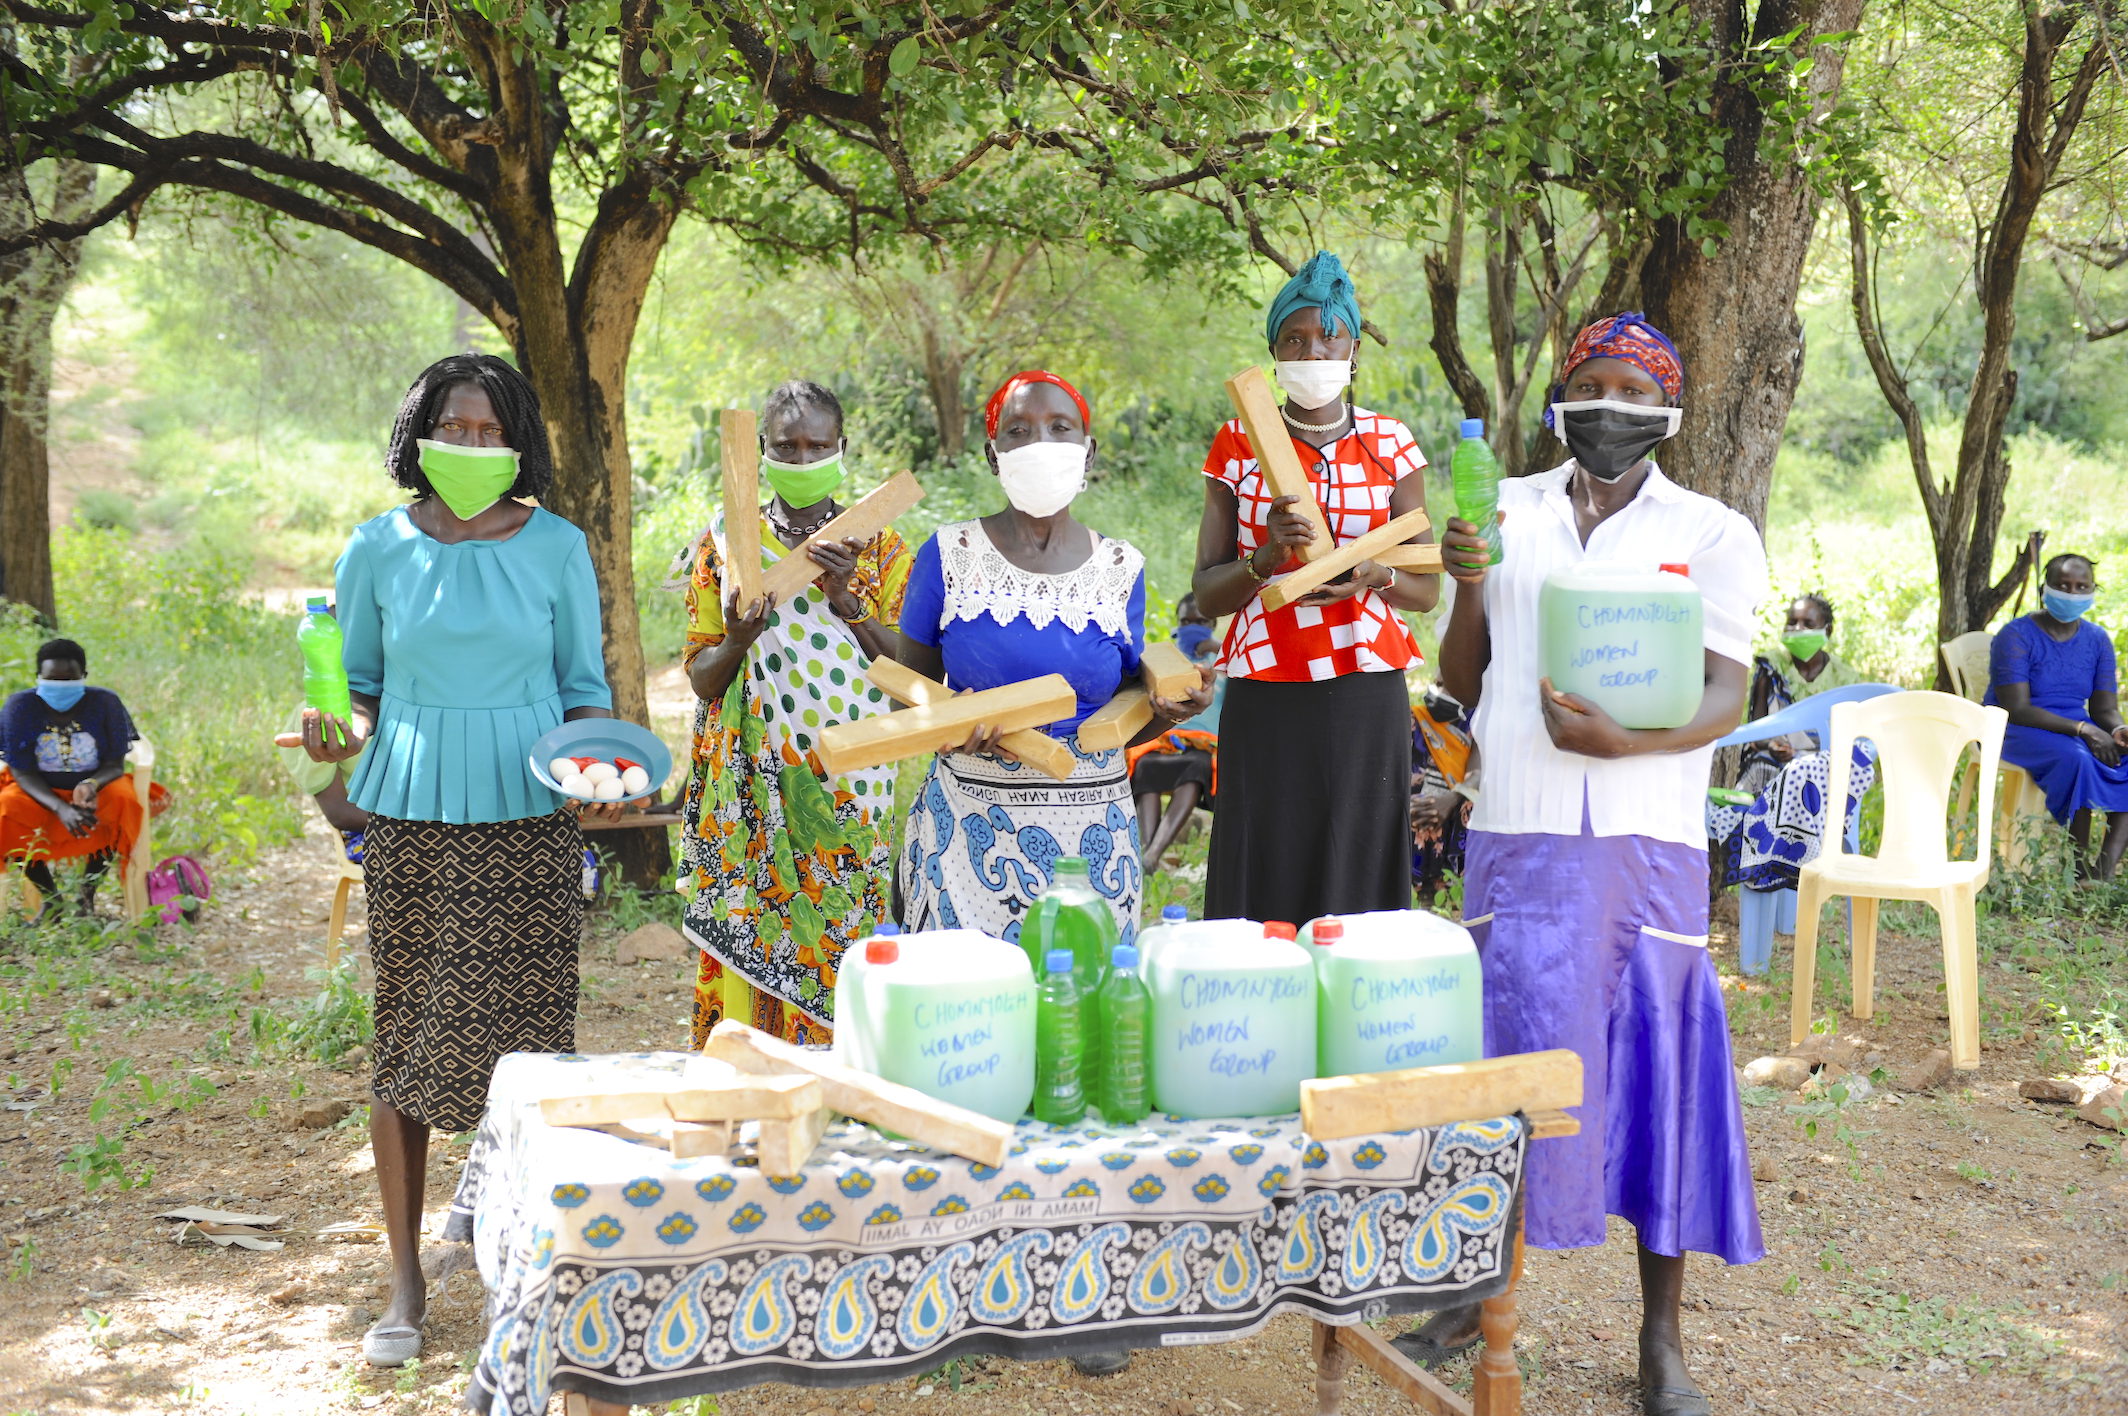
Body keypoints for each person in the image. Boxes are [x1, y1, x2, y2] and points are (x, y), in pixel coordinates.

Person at [1419, 313, 1766, 1416]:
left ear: (1663, 409)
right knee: (1501, 1061)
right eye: (1590, 384)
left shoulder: (1710, 531)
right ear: (1562, 398)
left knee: (1654, 1064)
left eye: (1633, 388)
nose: (1608, 406)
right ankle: (1472, 1295)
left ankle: (1661, 1339)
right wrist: (1468, 579)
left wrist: (1631, 743)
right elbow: (1462, 680)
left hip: (1644, 834)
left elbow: (1727, 691)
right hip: (1516, 823)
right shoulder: (1505, 506)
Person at [291, 353, 619, 1369]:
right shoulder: (377, 550)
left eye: (490, 432)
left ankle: (529, 1268)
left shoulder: (560, 547)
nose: (472, 448)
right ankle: (402, 1279)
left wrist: (605, 762)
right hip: (413, 811)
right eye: (454, 429)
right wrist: (331, 727)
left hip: (529, 811)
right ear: (419, 437)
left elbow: (583, 687)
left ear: (518, 441)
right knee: (410, 1031)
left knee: (532, 1041)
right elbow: (357, 688)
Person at [897, 370, 1209, 953]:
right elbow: (904, 695)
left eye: (1059, 428)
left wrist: (1179, 708)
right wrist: (951, 721)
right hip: (969, 831)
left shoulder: (1121, 568)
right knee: (970, 1016)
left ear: (1087, 451)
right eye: (1019, 431)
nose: (1040, 444)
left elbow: (1124, 713)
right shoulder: (949, 555)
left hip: (1092, 846)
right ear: (994, 457)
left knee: (1082, 1022)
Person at [1189, 251, 1440, 926]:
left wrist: (1376, 575)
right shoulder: (1238, 444)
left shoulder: (1391, 444)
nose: (1313, 351)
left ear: (1353, 347)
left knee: (1356, 857)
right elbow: (1206, 594)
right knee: (1266, 853)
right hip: (1268, 690)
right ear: (1273, 350)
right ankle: (1264, 1001)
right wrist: (1267, 557)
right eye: (1295, 339)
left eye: (1329, 337)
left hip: (1365, 689)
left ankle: (1353, 1009)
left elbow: (1423, 589)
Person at [678, 380, 911, 1047]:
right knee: (748, 942)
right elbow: (700, 675)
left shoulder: (885, 551)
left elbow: (913, 677)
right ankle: (745, 1091)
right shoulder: (726, 548)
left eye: (817, 446)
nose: (803, 458)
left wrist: (848, 599)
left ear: (843, 448)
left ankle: (840, 1097)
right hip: (747, 790)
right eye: (787, 446)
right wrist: (738, 639)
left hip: (843, 789)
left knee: (841, 941)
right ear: (761, 451)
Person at [1707, 593, 1875, 893]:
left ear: (1827, 630)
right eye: (1792, 622)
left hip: (1822, 762)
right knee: (1763, 774)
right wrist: (1775, 748)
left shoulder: (1844, 677)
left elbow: (1852, 734)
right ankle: (1766, 867)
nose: (1797, 630)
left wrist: (1803, 755)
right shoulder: (1771, 667)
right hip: (1772, 760)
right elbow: (1756, 731)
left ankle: (1793, 865)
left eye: (1807, 623)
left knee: (1811, 773)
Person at [1987, 552, 2128, 880]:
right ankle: (2078, 869)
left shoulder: (2096, 640)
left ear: (2093, 590)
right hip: (2016, 727)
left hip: (2073, 725)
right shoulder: (2016, 636)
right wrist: (2083, 730)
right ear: (2044, 589)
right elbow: (2016, 708)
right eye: (2063, 585)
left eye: (2082, 586)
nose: (2072, 593)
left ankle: (2102, 874)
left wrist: (2118, 728)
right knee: (2076, 758)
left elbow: (2103, 708)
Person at [0, 638, 151, 918]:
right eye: (52, 679)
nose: (60, 685)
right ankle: (51, 899)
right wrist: (60, 807)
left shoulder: (106, 702)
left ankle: (86, 898)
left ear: (84, 677)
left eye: (69, 679)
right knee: (6, 811)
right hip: (38, 789)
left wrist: (90, 784)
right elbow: (21, 770)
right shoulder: (19, 706)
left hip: (95, 785)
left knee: (122, 802)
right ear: (38, 678)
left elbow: (114, 764)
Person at [1128, 598, 1223, 867]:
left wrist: (1217, 649)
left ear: (1213, 624)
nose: (1192, 627)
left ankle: (1151, 854)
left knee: (1195, 767)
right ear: (1177, 623)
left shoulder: (1221, 659)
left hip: (1204, 745)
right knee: (1145, 763)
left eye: (1201, 622)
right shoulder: (1167, 659)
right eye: (1186, 622)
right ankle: (1148, 851)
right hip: (1165, 739)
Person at [1408, 684, 1476, 904]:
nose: (1439, 690)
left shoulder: (1478, 722)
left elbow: (1481, 774)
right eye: (1438, 684)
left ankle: (1449, 890)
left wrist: (1450, 800)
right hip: (1416, 812)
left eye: (1447, 685)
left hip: (1457, 811)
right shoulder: (1414, 720)